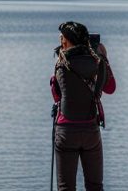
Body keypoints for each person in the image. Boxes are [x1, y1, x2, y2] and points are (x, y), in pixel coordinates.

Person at [50, 21, 116, 191]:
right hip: (90, 131)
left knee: (66, 187)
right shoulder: (97, 62)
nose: (60, 40)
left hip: (66, 132)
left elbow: (57, 96)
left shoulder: (61, 63)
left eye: (62, 38)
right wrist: (104, 57)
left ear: (66, 40)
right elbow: (110, 88)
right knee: (95, 186)